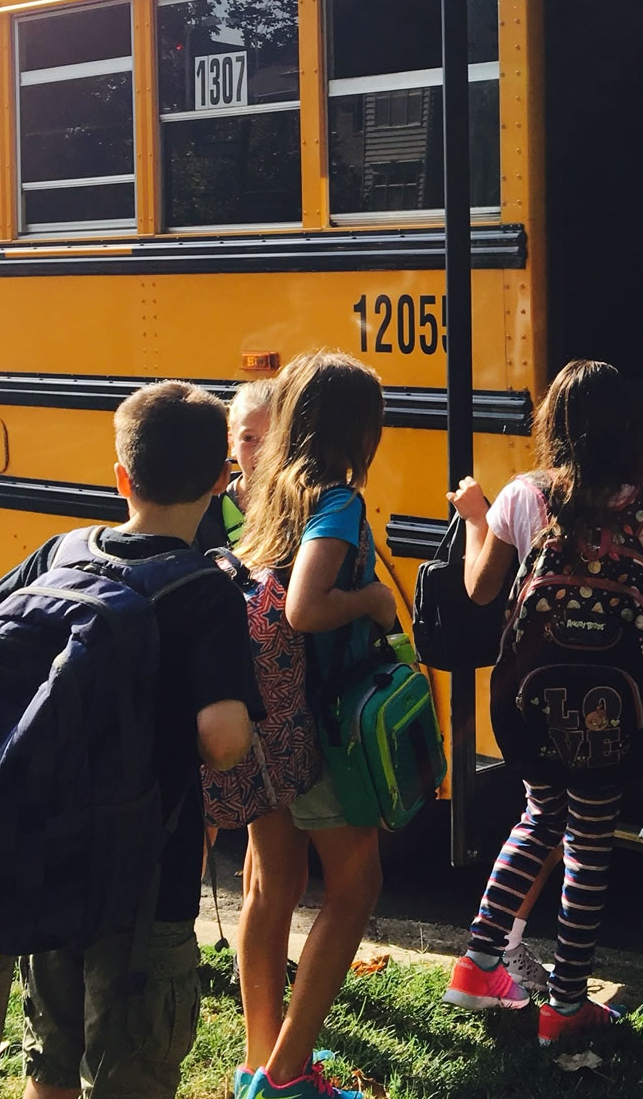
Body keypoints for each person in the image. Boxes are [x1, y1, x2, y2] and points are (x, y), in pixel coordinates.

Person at [0, 381, 260, 1099]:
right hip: (146, 880)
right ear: (224, 479)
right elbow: (223, 739)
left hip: (44, 854)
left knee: (52, 1054)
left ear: (121, 478)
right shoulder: (205, 593)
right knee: (131, 1065)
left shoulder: (60, 552)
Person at [441, 358, 643, 1045]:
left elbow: (478, 591)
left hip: (524, 698)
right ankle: (565, 1005)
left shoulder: (522, 496)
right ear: (624, 425)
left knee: (538, 817)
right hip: (608, 707)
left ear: (551, 423)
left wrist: (475, 520)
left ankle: (476, 963)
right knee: (589, 840)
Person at [231, 351, 404, 1099]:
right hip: (322, 723)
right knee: (355, 883)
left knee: (272, 886)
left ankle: (258, 1061)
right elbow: (304, 607)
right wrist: (370, 603)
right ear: (359, 430)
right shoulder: (337, 501)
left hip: (260, 720)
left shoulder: (266, 493)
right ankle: (289, 1076)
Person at [196, 377, 275, 552]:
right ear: (231, 442)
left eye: (274, 439)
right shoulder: (203, 511)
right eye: (249, 439)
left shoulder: (308, 509)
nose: (261, 452)